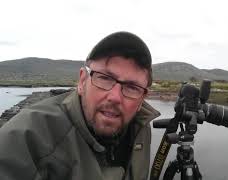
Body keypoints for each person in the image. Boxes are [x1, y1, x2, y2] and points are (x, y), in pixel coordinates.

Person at [0, 31, 160, 180]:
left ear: (141, 99)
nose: (115, 97)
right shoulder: (27, 139)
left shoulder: (140, 127)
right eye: (105, 78)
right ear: (82, 81)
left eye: (132, 87)